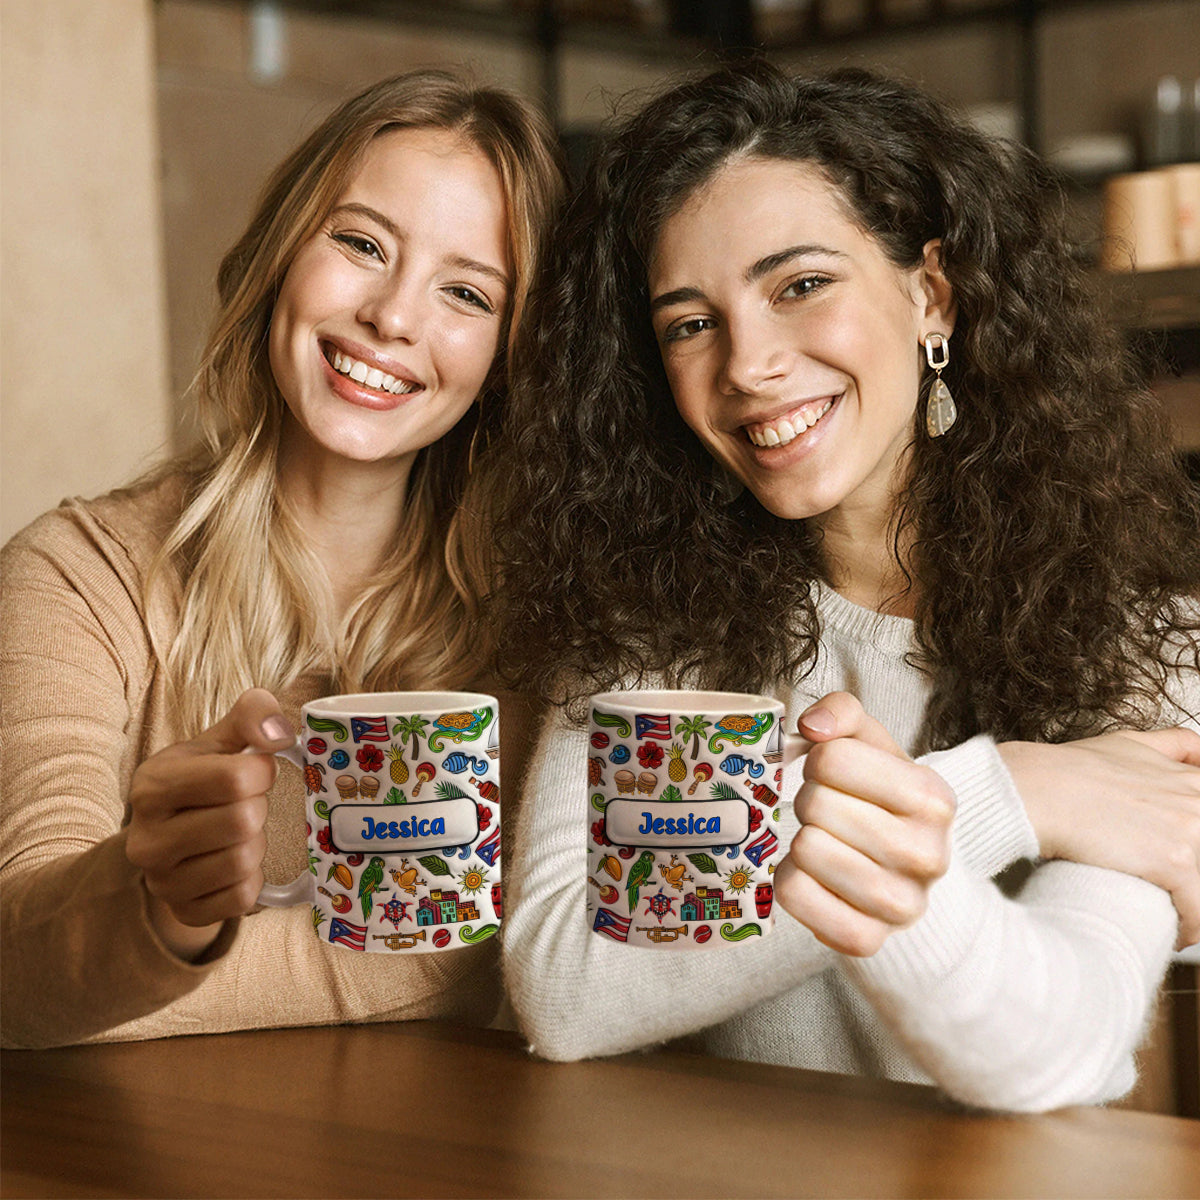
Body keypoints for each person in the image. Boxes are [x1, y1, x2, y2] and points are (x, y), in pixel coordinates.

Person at [488, 61, 1200, 1112]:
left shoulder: (1147, 639)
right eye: (690, 322)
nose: (748, 364)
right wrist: (1006, 793)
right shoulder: (645, 635)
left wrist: (899, 814)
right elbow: (562, 991)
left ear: (931, 294)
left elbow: (1055, 1045)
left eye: (799, 285)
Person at [0, 70, 564, 1049]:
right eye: (360, 244)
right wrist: (161, 907)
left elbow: (495, 945)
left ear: (510, 354)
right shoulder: (75, 575)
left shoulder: (538, 626)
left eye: (466, 292)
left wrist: (146, 974)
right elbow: (18, 967)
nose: (394, 316)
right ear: (280, 257)